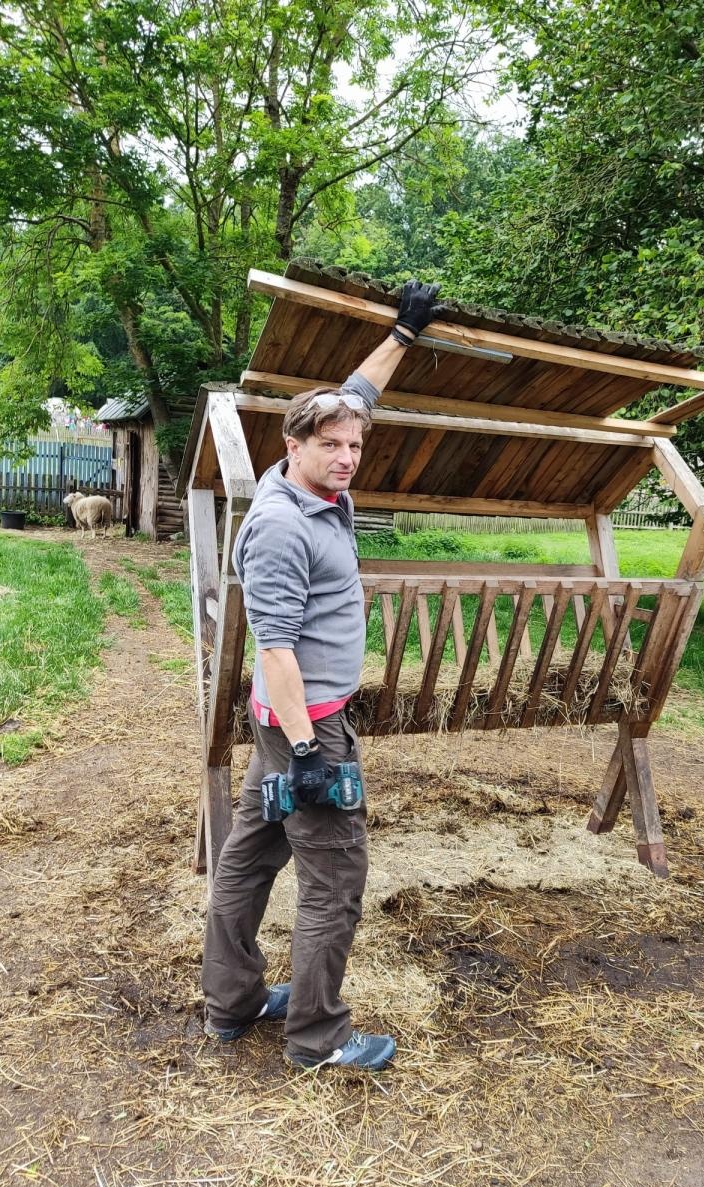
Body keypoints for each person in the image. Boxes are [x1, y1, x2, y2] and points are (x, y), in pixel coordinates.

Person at [201, 279, 443, 1071]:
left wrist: (403, 332)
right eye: (330, 447)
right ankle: (316, 1038)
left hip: (287, 724)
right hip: (304, 723)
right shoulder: (279, 528)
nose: (346, 459)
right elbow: (274, 650)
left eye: (355, 446)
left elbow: (360, 391)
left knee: (248, 857)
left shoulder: (317, 482)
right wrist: (310, 754)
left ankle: (231, 1005)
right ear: (291, 447)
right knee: (336, 879)